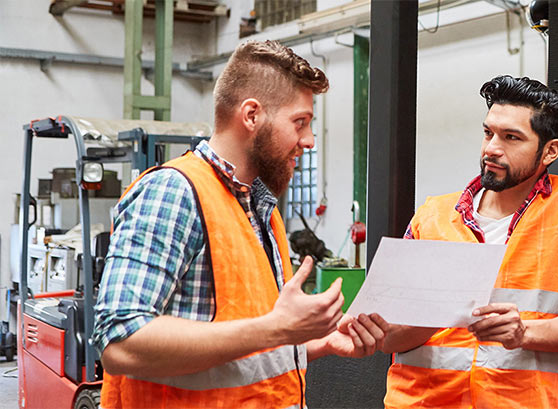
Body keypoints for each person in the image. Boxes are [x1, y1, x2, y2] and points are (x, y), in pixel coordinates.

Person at [93, 40, 387, 409]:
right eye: (300, 122)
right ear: (251, 116)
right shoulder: (174, 191)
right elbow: (119, 343)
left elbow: (248, 349)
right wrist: (279, 328)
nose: (309, 140)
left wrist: (317, 341)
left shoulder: (261, 209)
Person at [381, 75, 558, 408]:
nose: (492, 148)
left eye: (511, 138)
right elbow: (388, 337)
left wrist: (524, 333)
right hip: (422, 402)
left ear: (549, 151)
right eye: (488, 133)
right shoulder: (432, 215)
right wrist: (429, 315)